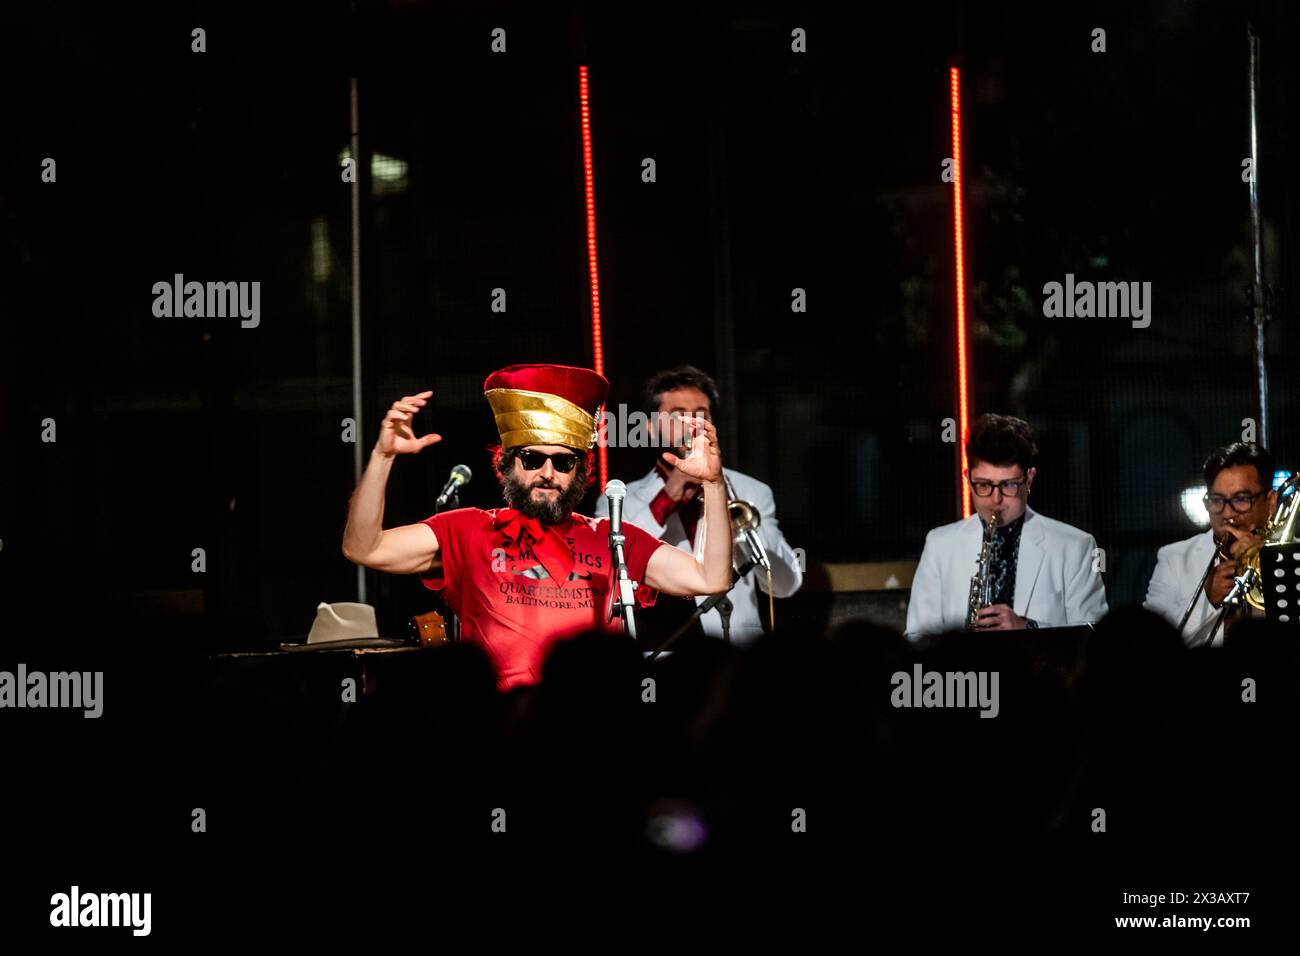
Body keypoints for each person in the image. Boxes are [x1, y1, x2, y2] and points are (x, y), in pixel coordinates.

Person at [341, 363, 734, 691]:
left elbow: (710, 577)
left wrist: (713, 485)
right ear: (506, 464)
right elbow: (364, 548)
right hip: (503, 736)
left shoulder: (615, 538)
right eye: (531, 459)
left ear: (581, 471)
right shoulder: (467, 530)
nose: (547, 473)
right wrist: (382, 456)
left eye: (563, 462)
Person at [594, 365, 802, 645]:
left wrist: (730, 506)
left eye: (701, 416)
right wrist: (668, 497)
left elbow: (786, 584)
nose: (691, 426)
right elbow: (609, 570)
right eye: (677, 416)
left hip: (738, 656)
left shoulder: (753, 491)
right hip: (663, 652)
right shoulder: (620, 499)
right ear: (650, 426)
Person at [905, 413, 1108, 638]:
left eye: (1008, 485)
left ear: (1029, 479)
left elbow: (1093, 637)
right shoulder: (939, 544)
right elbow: (917, 637)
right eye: (983, 485)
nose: (995, 500)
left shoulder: (1076, 546)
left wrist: (1027, 628)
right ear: (967, 478)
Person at [1143, 442, 1277, 647]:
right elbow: (1150, 645)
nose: (1228, 513)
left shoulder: (1292, 556)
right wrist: (1207, 602)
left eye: (1241, 499)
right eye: (1217, 500)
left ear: (1270, 502)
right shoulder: (1174, 558)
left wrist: (1265, 566)